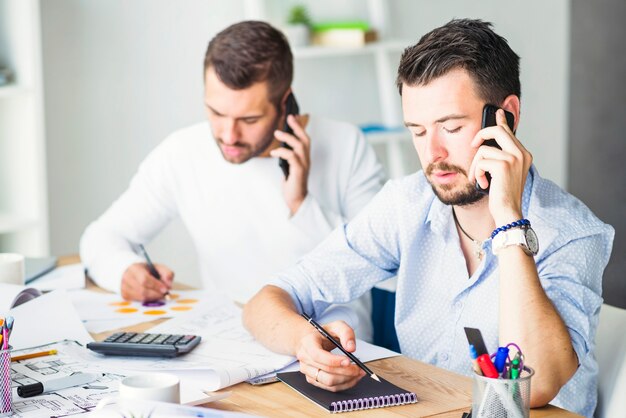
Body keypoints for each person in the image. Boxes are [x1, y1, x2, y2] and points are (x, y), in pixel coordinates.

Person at [243, 19, 614, 417]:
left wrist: (508, 222)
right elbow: (264, 303)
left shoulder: (574, 232)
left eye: (450, 127)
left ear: (505, 117)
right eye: (417, 131)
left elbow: (535, 385)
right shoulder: (408, 203)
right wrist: (304, 342)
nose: (432, 153)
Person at [80, 21, 385, 340]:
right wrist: (123, 271)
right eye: (216, 112)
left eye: (249, 120)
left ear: (285, 101)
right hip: (232, 349)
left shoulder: (346, 145)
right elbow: (101, 237)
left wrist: (301, 204)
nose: (229, 135)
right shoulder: (182, 152)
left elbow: (374, 265)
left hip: (337, 349)